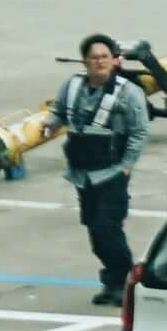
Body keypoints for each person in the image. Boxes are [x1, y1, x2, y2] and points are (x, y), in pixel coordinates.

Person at [56, 35, 155, 307]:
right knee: (94, 230)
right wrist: (50, 124)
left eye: (104, 56)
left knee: (106, 228)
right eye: (93, 57)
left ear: (115, 60)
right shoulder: (73, 86)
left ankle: (127, 283)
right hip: (82, 173)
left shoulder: (129, 92)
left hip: (112, 173)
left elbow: (140, 131)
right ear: (85, 61)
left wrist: (127, 166)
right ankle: (112, 281)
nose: (99, 61)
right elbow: (59, 112)